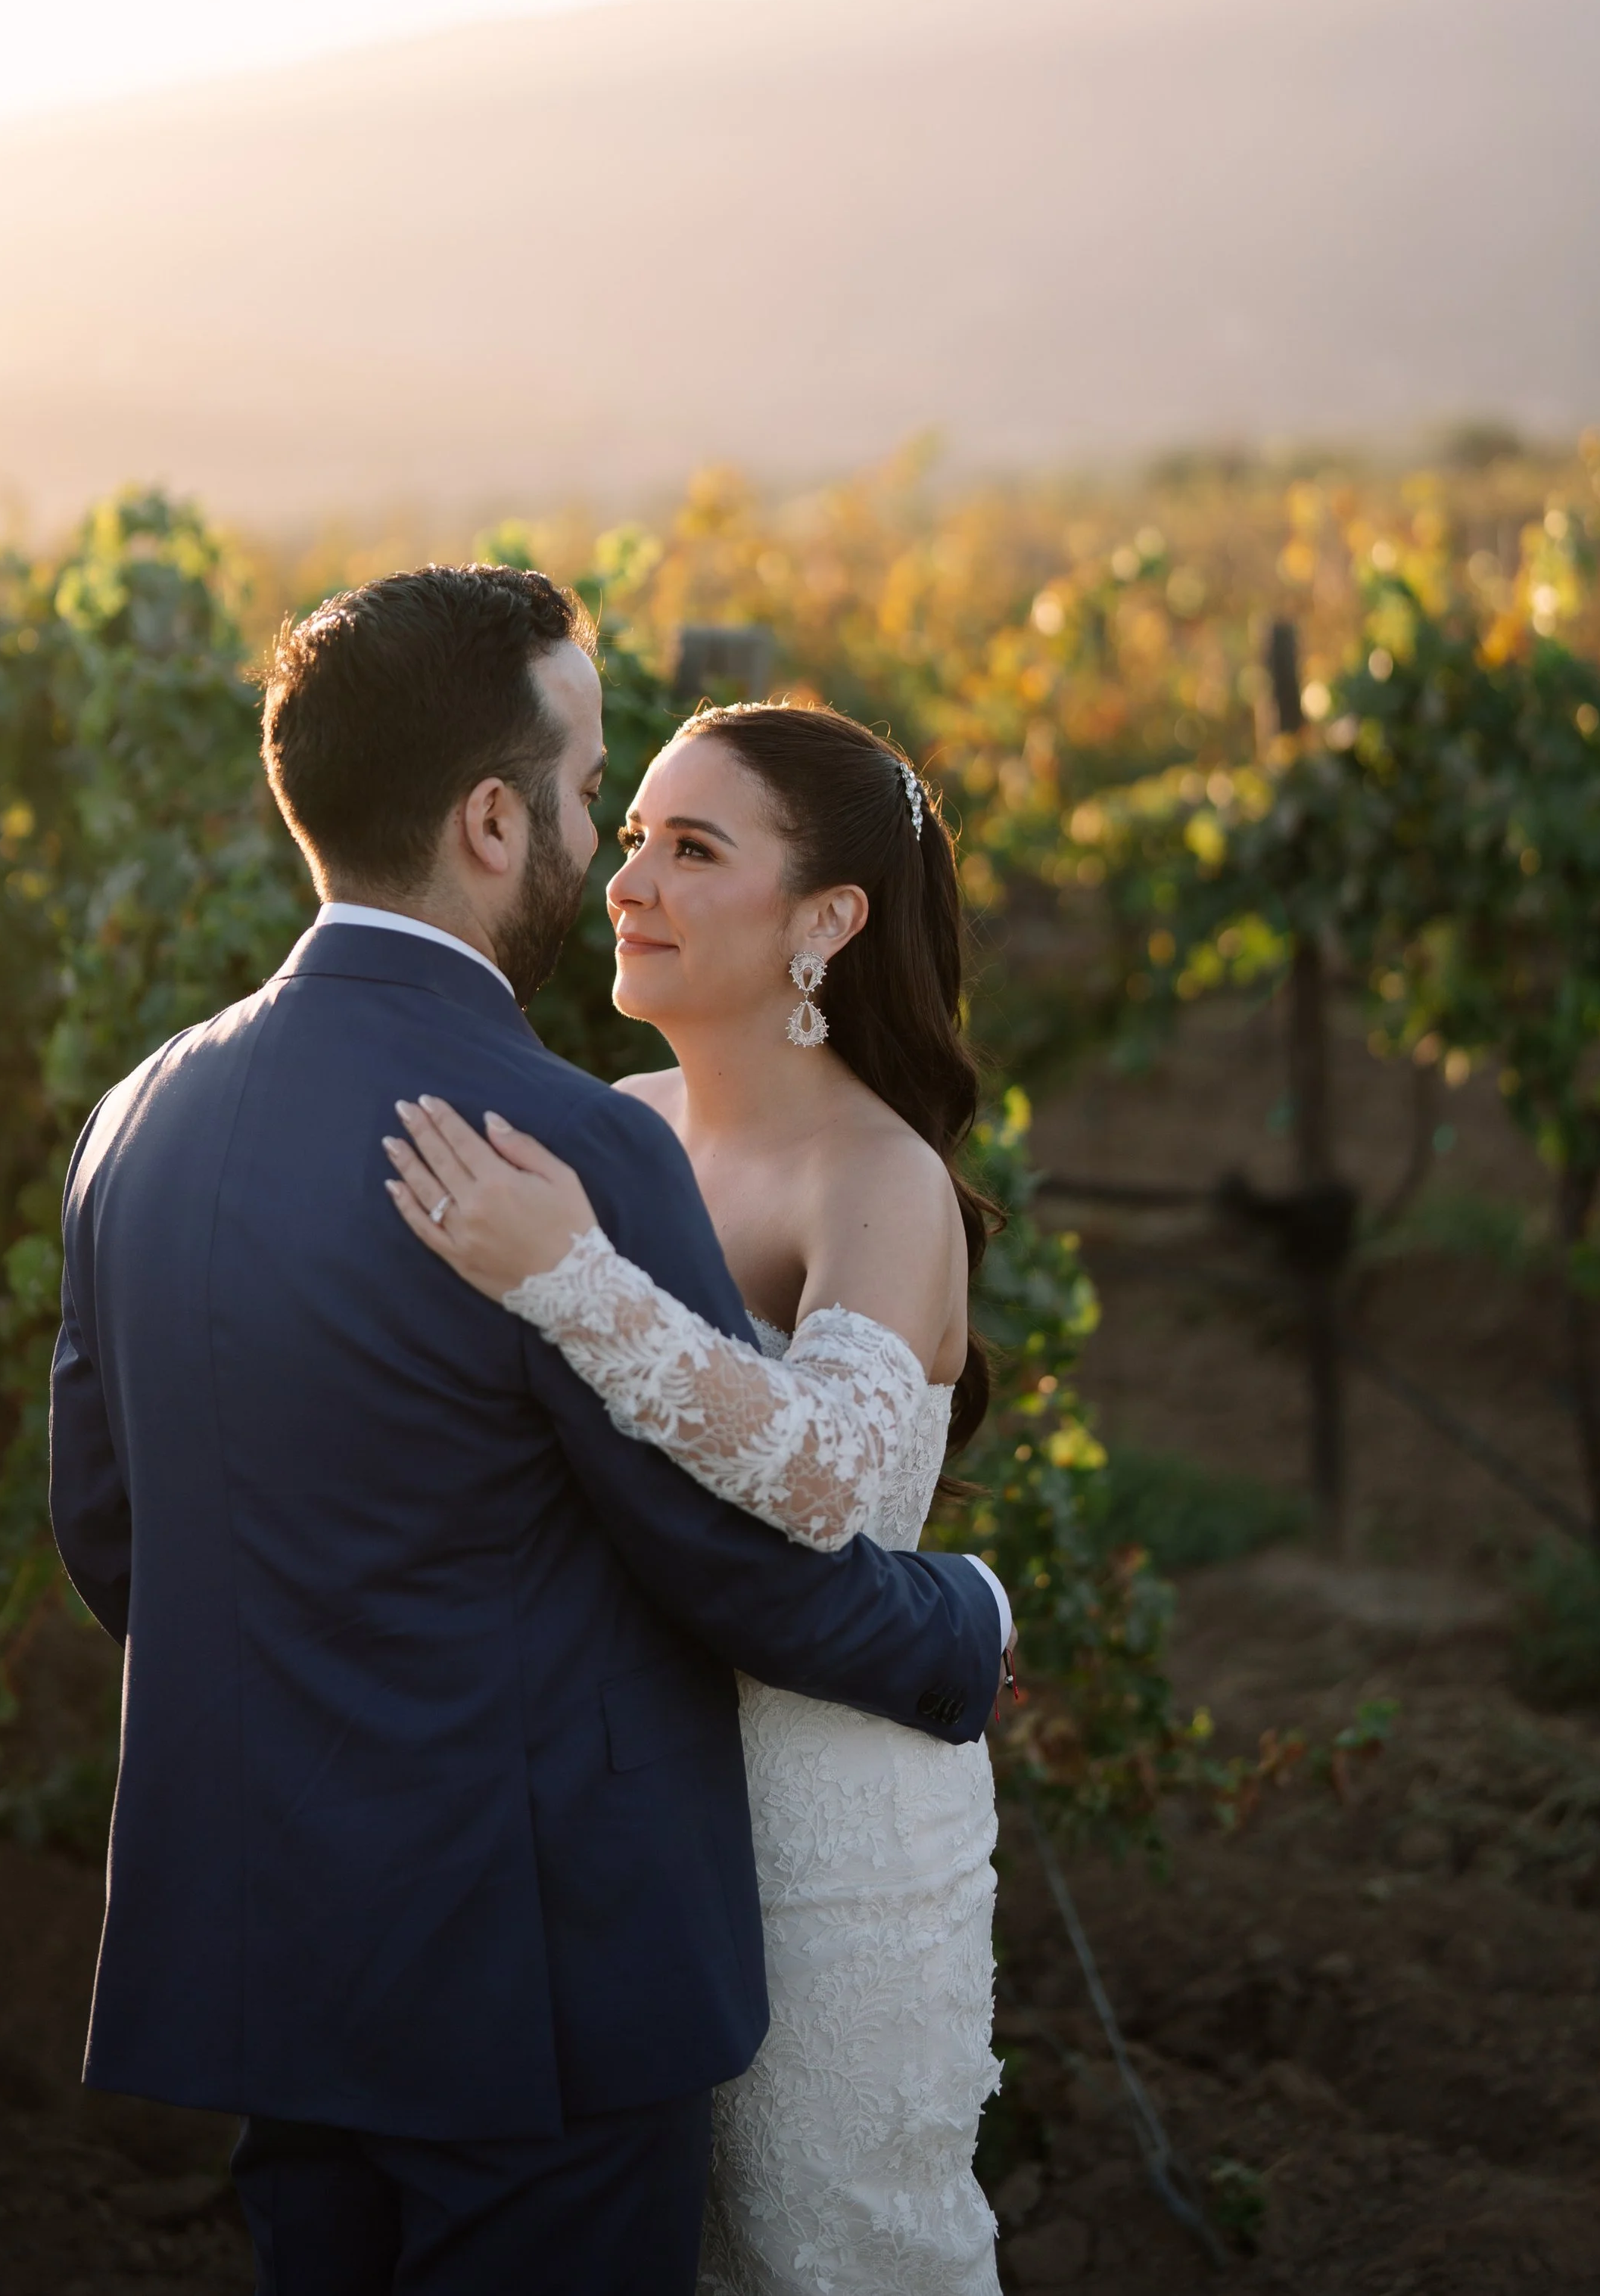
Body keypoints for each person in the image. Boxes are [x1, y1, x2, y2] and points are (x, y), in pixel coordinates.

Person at [47, 565, 1008, 2296]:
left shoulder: (138, 1116)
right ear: (492, 821)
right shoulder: (577, 1148)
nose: (610, 855)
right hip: (537, 1969)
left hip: (279, 1947)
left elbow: (113, 1534)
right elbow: (735, 1569)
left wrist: (333, 1755)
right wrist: (970, 1625)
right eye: (588, 798)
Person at [387, 699, 1010, 2295]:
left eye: (694, 848)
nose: (629, 878)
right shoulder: (616, 1130)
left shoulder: (880, 1182)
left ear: (827, 922)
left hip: (827, 1819)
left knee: (827, 2247)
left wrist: (574, 1283)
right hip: (631, 1806)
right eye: (637, 832)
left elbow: (827, 1479)